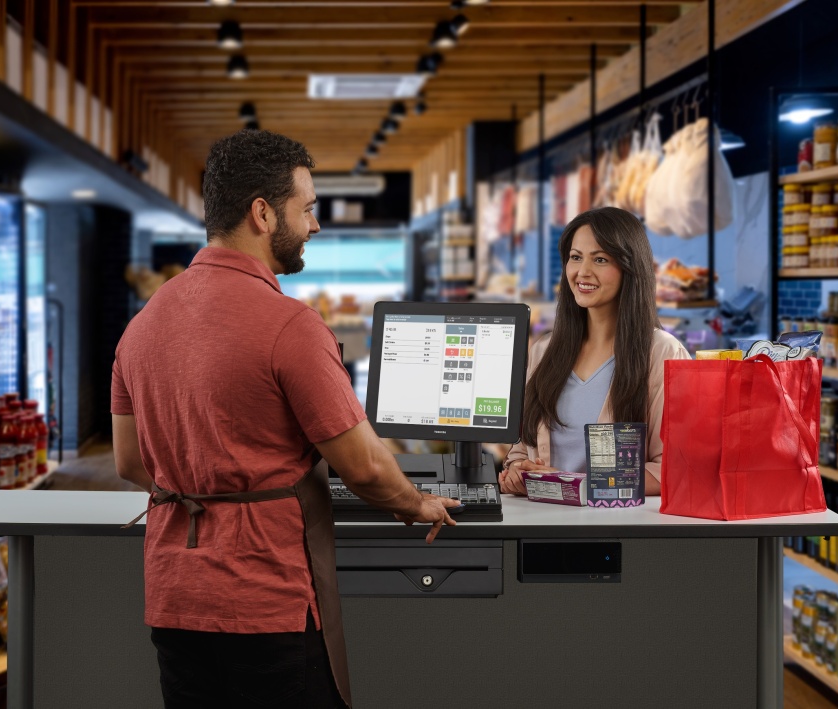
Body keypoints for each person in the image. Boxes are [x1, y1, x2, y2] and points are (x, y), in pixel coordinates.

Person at [111, 129, 459, 709]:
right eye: (308, 209)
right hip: (265, 600)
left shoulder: (143, 324)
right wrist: (416, 502)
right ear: (263, 214)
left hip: (175, 600)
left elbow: (129, 462)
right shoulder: (291, 327)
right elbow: (366, 468)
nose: (315, 225)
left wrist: (203, 480)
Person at [498, 207, 690, 497]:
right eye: (576, 257)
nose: (582, 272)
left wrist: (573, 485)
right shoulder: (544, 351)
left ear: (630, 267)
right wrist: (518, 472)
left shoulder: (662, 352)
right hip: (541, 524)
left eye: (600, 259)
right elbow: (519, 451)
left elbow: (674, 469)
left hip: (618, 531)